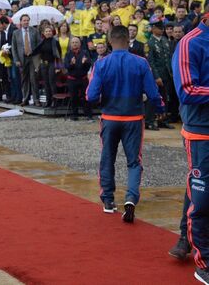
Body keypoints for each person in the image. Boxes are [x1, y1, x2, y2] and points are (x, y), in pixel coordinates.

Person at [86, 25, 165, 222]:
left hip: (110, 117)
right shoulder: (141, 62)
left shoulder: (101, 64)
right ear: (127, 40)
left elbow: (91, 95)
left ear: (110, 41)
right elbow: (153, 93)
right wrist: (161, 108)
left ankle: (108, 200)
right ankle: (130, 198)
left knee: (107, 158)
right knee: (134, 161)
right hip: (134, 118)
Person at [167, 16, 209, 283]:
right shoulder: (190, 42)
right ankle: (203, 260)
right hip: (200, 132)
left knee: (198, 187)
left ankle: (185, 236)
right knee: (202, 196)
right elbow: (186, 90)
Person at [12, 14, 42, 107]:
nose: (26, 22)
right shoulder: (16, 33)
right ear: (20, 22)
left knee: (33, 79)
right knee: (24, 80)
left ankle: (36, 99)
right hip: (22, 59)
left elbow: (39, 45)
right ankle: (25, 99)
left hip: (32, 58)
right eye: (24, 20)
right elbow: (14, 48)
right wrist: (16, 60)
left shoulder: (35, 31)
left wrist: (36, 56)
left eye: (27, 20)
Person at [64, 37, 92, 120]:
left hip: (83, 78)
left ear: (80, 44)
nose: (75, 44)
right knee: (73, 98)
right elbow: (66, 66)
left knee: (85, 97)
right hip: (72, 79)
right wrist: (72, 64)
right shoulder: (68, 54)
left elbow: (89, 65)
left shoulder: (85, 52)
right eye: (73, 42)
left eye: (76, 42)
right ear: (70, 44)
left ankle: (88, 115)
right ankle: (74, 115)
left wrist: (85, 63)